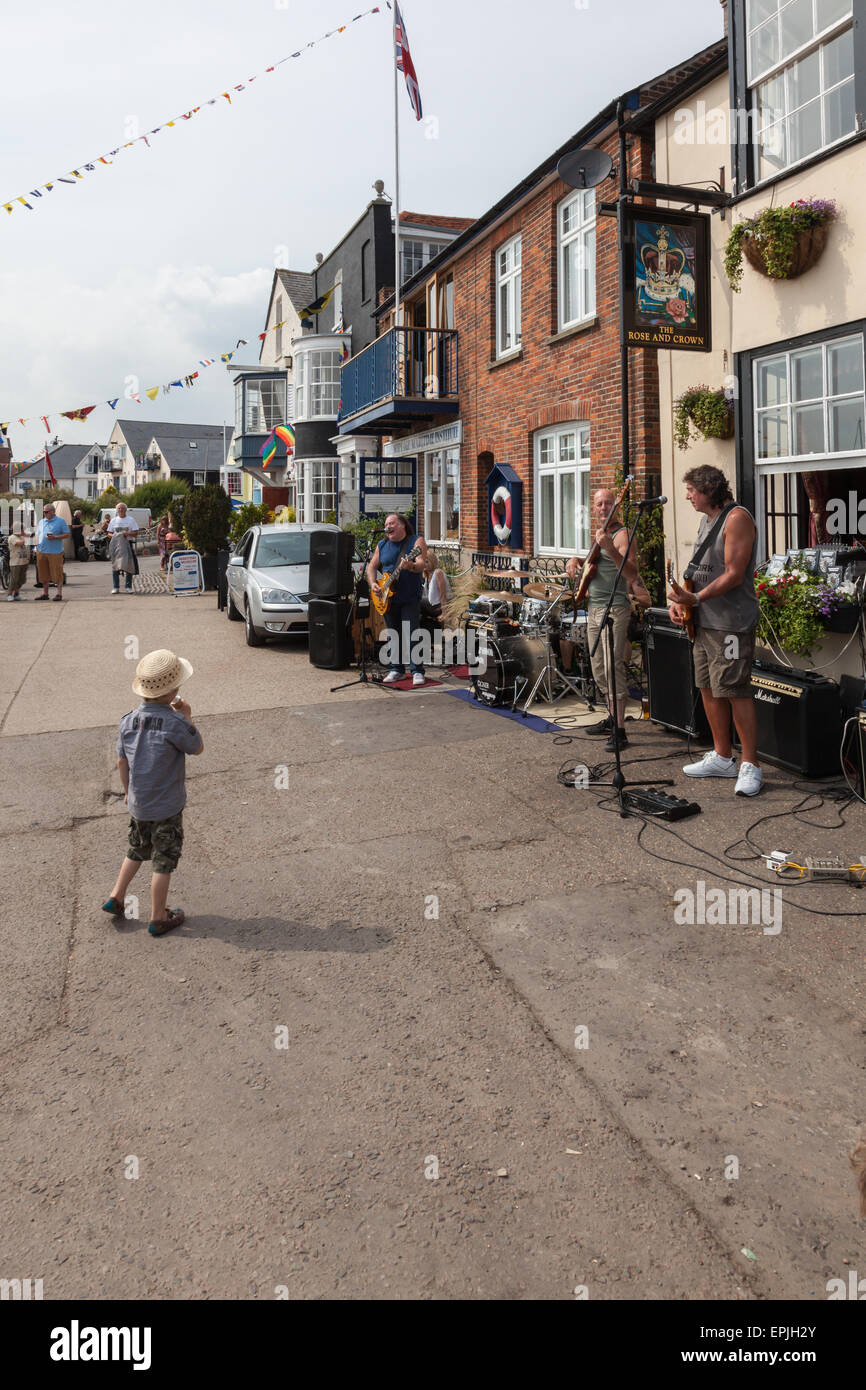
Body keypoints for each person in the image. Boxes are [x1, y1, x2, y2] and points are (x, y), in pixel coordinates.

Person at [667, 463, 762, 797]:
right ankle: (723, 756)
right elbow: (701, 570)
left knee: (735, 689)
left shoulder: (737, 518)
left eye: (692, 490)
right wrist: (682, 603)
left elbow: (734, 574)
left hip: (731, 624)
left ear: (708, 489)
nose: (688, 496)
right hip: (704, 623)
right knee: (707, 686)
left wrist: (695, 597)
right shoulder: (707, 521)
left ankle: (750, 764)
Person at [104, 649, 204, 937]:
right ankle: (158, 917)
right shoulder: (174, 722)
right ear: (173, 690)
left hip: (138, 803)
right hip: (167, 807)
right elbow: (196, 747)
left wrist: (127, 792)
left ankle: (117, 895)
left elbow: (122, 761)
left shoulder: (128, 721)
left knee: (136, 848)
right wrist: (187, 717)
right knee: (163, 861)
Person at [566, 486, 638, 752]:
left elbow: (632, 573)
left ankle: (620, 731)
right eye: (599, 504)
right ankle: (610, 718)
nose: (604, 507)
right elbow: (592, 563)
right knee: (599, 668)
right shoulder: (598, 535)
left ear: (616, 505)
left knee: (612, 668)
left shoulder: (621, 535)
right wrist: (574, 560)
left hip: (614, 609)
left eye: (609, 503)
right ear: (593, 508)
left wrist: (612, 548)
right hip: (595, 608)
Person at [366, 513, 428, 686]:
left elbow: (422, 564)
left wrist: (411, 565)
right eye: (386, 524)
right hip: (387, 598)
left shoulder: (416, 541)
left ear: (402, 525)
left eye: (391, 523)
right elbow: (372, 567)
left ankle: (417, 670)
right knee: (394, 635)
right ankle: (397, 669)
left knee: (412, 633)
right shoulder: (382, 544)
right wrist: (373, 584)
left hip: (409, 596)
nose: (388, 527)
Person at [34, 502, 70, 602]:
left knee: (57, 573)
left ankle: (59, 594)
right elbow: (37, 535)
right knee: (43, 573)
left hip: (55, 552)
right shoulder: (41, 522)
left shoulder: (60, 521)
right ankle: (45, 594)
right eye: (44, 512)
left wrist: (55, 537)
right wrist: (36, 546)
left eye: (46, 512)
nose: (45, 514)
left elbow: (67, 534)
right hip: (41, 551)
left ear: (53, 512)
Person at [421, 548, 452, 626]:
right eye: (423, 562)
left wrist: (444, 613)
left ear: (432, 562)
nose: (424, 564)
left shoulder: (438, 573)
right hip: (432, 605)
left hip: (439, 606)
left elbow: (443, 594)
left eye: (427, 562)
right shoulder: (426, 575)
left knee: (418, 600)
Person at [6, 524, 29, 601]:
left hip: (23, 561)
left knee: (22, 579)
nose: (23, 532)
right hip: (15, 562)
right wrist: (26, 537)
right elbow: (19, 543)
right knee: (14, 579)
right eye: (22, 530)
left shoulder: (21, 537)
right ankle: (9, 594)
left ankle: (16, 594)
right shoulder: (12, 537)